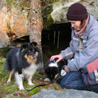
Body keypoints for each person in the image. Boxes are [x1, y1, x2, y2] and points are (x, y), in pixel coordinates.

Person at [50, 3, 98, 93]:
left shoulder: (95, 31)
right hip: (83, 66)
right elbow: (73, 48)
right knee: (64, 80)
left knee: (66, 83)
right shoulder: (77, 29)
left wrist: (68, 68)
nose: (71, 26)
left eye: (73, 23)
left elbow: (87, 56)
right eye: (70, 22)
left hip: (93, 67)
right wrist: (62, 55)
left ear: (82, 20)